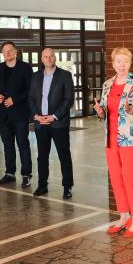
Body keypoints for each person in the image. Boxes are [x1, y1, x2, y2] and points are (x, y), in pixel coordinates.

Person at [93, 47, 133, 237]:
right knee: (116, 178)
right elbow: (104, 111)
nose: (122, 65)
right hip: (111, 139)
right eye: (118, 61)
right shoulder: (107, 84)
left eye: (125, 61)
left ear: (130, 63)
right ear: (113, 63)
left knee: (130, 177)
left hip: (130, 139)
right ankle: (124, 216)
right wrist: (100, 111)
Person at [29, 48, 75, 199]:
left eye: (51, 56)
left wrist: (54, 116)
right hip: (40, 123)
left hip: (58, 123)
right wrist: (36, 116)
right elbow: (31, 98)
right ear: (41, 59)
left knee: (64, 155)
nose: (48, 59)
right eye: (45, 57)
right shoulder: (35, 76)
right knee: (42, 156)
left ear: (54, 58)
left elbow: (69, 100)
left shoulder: (65, 76)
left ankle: (67, 186)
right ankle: (42, 185)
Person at [0, 41, 33, 188]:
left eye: (10, 50)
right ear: (2, 53)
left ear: (16, 52)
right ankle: (10, 173)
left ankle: (26, 175)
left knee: (23, 145)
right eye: (4, 51)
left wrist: (14, 99)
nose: (7, 53)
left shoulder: (25, 68)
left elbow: (30, 90)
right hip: (3, 115)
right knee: (8, 145)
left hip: (20, 114)